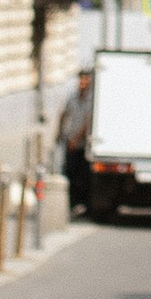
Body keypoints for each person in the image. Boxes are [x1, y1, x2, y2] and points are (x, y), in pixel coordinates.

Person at [56, 64, 95, 221]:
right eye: (81, 79)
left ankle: (83, 206)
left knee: (84, 177)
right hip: (71, 142)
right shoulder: (72, 96)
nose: (83, 82)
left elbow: (88, 122)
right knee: (69, 173)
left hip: (84, 145)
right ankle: (71, 205)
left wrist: (77, 139)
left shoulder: (92, 99)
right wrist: (59, 134)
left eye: (86, 79)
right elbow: (64, 115)